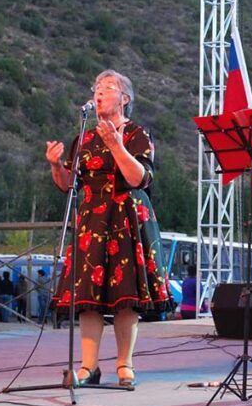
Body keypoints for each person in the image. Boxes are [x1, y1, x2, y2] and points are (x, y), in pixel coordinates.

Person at [45, 69, 171, 387]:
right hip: (91, 222)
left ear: (125, 99)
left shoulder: (137, 134)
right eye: (96, 86)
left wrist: (116, 146)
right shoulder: (84, 138)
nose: (99, 92)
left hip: (126, 219)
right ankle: (89, 368)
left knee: (125, 294)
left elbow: (138, 178)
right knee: (88, 296)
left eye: (108, 87)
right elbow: (68, 185)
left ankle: (124, 364)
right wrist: (56, 166)